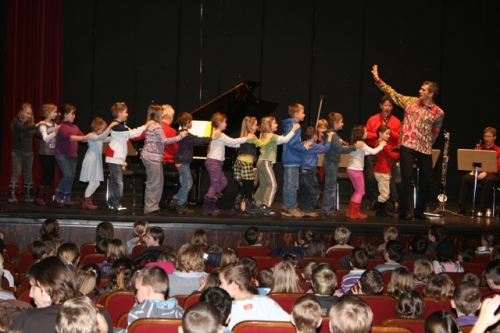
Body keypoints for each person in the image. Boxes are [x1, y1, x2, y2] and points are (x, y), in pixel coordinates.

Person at [372, 64, 445, 221]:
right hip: (408, 144)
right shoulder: (410, 102)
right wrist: (378, 80)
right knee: (407, 178)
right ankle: (405, 211)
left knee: (426, 181)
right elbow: (392, 93)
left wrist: (428, 142)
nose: (420, 91)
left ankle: (419, 212)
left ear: (431, 94)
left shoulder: (438, 113)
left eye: (424, 90)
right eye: (421, 89)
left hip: (424, 147)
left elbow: (436, 131)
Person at [12, 256, 113, 333]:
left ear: (48, 288)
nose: (30, 294)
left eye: (33, 287)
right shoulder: (100, 316)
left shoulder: (28, 318)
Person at [105, 102, 152, 211]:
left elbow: (133, 133)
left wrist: (144, 129)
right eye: (126, 112)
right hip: (114, 157)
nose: (127, 114)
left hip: (115, 157)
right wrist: (146, 125)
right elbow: (133, 133)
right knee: (118, 182)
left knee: (114, 182)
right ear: (120, 113)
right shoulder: (117, 126)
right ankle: (116, 204)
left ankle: (112, 203)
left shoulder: (121, 126)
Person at [140, 104, 186, 214]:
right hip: (152, 157)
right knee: (154, 183)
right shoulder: (156, 126)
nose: (163, 114)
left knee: (158, 182)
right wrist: (181, 136)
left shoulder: (153, 125)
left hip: (153, 158)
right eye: (162, 113)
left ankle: (154, 206)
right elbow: (165, 141)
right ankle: (150, 208)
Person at [204, 112, 252, 215]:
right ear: (219, 122)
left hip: (216, 162)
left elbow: (232, 143)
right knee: (215, 184)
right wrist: (246, 138)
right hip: (214, 162)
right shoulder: (219, 134)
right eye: (225, 122)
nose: (226, 124)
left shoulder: (218, 134)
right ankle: (208, 206)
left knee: (224, 182)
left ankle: (212, 199)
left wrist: (245, 144)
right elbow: (232, 141)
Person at [254, 116, 301, 216]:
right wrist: (293, 129)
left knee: (263, 185)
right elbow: (285, 140)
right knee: (273, 185)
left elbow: (280, 140)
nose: (277, 124)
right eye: (274, 123)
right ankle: (266, 206)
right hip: (265, 162)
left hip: (261, 162)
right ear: (269, 126)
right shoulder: (271, 135)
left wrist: (286, 134)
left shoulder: (265, 134)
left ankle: (256, 204)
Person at [219, 263, 289, 330]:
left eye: (221, 283)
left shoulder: (229, 310)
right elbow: (288, 323)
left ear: (233, 285)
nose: (220, 286)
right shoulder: (266, 302)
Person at [115, 266, 184, 333]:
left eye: (137, 289)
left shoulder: (138, 312)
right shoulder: (180, 311)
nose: (135, 294)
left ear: (148, 290)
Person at [170, 112, 214, 214]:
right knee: (187, 185)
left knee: (187, 183)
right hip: (183, 162)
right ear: (188, 122)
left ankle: (176, 200)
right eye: (191, 121)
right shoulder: (185, 134)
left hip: (182, 161)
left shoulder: (179, 133)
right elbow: (198, 140)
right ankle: (180, 204)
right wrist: (211, 138)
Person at [321, 112, 363, 217]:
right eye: (341, 122)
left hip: (331, 163)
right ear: (335, 123)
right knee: (330, 187)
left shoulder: (332, 134)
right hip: (331, 163)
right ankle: (327, 210)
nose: (343, 124)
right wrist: (354, 147)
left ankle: (327, 209)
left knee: (330, 186)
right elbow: (340, 150)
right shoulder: (333, 135)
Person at [365, 95, 402, 213]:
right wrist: (379, 134)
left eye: (390, 106)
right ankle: (374, 201)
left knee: (388, 177)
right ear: (381, 106)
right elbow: (367, 135)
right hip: (373, 149)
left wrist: (389, 132)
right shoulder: (372, 119)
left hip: (388, 150)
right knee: (371, 177)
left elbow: (399, 139)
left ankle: (395, 201)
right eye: (385, 105)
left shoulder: (396, 121)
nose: (387, 108)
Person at [53, 104, 91, 206]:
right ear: (65, 114)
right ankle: (58, 193)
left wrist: (94, 136)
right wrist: (84, 138)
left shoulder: (75, 127)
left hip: (73, 155)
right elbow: (71, 137)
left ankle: (66, 196)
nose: (74, 116)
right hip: (62, 155)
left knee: (72, 176)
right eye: (72, 114)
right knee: (68, 175)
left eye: (74, 114)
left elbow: (84, 137)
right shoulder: (61, 126)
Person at [457, 127, 500, 216]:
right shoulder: (479, 149)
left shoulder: (498, 150)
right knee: (466, 178)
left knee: (488, 180)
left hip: (493, 175)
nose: (487, 139)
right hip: (479, 173)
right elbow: (472, 163)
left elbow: (498, 166)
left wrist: (486, 172)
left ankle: (481, 208)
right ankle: (462, 207)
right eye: (485, 136)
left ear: (494, 137)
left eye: (489, 136)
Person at [346, 124, 386, 219]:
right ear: (360, 133)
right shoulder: (361, 143)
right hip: (356, 170)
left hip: (351, 169)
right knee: (360, 191)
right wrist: (381, 145)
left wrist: (376, 148)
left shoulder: (356, 143)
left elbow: (366, 152)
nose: (367, 133)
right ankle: (354, 212)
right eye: (366, 131)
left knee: (357, 191)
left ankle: (351, 211)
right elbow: (373, 152)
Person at [8, 103, 44, 204]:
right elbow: (22, 129)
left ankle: (28, 195)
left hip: (29, 153)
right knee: (17, 172)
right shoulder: (16, 122)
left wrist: (49, 130)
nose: (29, 115)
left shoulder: (31, 125)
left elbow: (39, 133)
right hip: (18, 152)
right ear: (21, 112)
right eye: (27, 113)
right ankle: (12, 195)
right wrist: (36, 125)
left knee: (28, 174)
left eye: (30, 114)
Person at [79, 117, 118, 210]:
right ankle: (86, 202)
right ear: (96, 128)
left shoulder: (98, 137)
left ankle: (85, 198)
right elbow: (102, 137)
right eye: (102, 129)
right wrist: (109, 128)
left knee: (96, 183)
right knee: (92, 182)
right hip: (91, 160)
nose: (103, 131)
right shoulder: (92, 136)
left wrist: (118, 136)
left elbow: (107, 139)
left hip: (96, 160)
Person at [299, 126, 333, 217]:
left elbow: (321, 146)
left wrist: (324, 141)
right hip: (308, 171)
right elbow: (325, 149)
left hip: (303, 170)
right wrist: (329, 139)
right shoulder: (313, 146)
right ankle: (308, 209)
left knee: (307, 191)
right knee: (314, 191)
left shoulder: (304, 143)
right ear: (314, 136)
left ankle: (303, 207)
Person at [282, 103, 308, 217]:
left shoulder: (290, 125)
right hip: (292, 159)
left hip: (290, 158)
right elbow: (292, 143)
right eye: (302, 112)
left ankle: (288, 206)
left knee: (290, 184)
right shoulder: (296, 126)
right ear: (296, 114)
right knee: (292, 185)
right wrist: (304, 147)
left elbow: (293, 142)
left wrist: (302, 144)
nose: (304, 115)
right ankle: (290, 207)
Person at [373, 124, 401, 218]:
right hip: (383, 171)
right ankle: (380, 212)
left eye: (389, 134)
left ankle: (381, 211)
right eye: (387, 134)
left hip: (380, 170)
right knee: (384, 193)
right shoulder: (383, 144)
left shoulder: (377, 143)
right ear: (380, 133)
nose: (388, 136)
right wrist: (402, 154)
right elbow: (392, 155)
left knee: (384, 192)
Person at [35, 103, 60, 206]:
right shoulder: (42, 125)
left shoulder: (54, 125)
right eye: (54, 112)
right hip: (44, 153)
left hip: (52, 152)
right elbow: (45, 138)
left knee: (51, 174)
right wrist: (55, 132)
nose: (56, 114)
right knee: (47, 173)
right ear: (48, 113)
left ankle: (48, 197)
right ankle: (39, 196)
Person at [159, 104, 180, 207]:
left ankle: (164, 199)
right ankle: (171, 199)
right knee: (189, 175)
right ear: (171, 117)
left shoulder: (154, 127)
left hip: (156, 163)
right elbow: (176, 150)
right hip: (167, 164)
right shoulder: (171, 131)